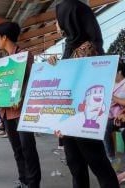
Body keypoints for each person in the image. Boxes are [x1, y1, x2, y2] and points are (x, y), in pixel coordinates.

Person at [48, 0, 119, 187]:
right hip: (72, 118)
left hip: (82, 119)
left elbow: (73, 84)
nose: (56, 24)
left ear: (68, 20)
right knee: (76, 165)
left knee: (97, 164)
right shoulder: (72, 46)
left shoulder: (87, 48)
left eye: (58, 20)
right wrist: (54, 66)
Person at [0, 21, 41, 188]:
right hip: (6, 112)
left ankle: (34, 183)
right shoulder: (3, 61)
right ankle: (23, 180)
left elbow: (32, 80)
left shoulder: (25, 55)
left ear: (5, 37)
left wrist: (21, 96)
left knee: (28, 148)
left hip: (22, 111)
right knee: (17, 150)